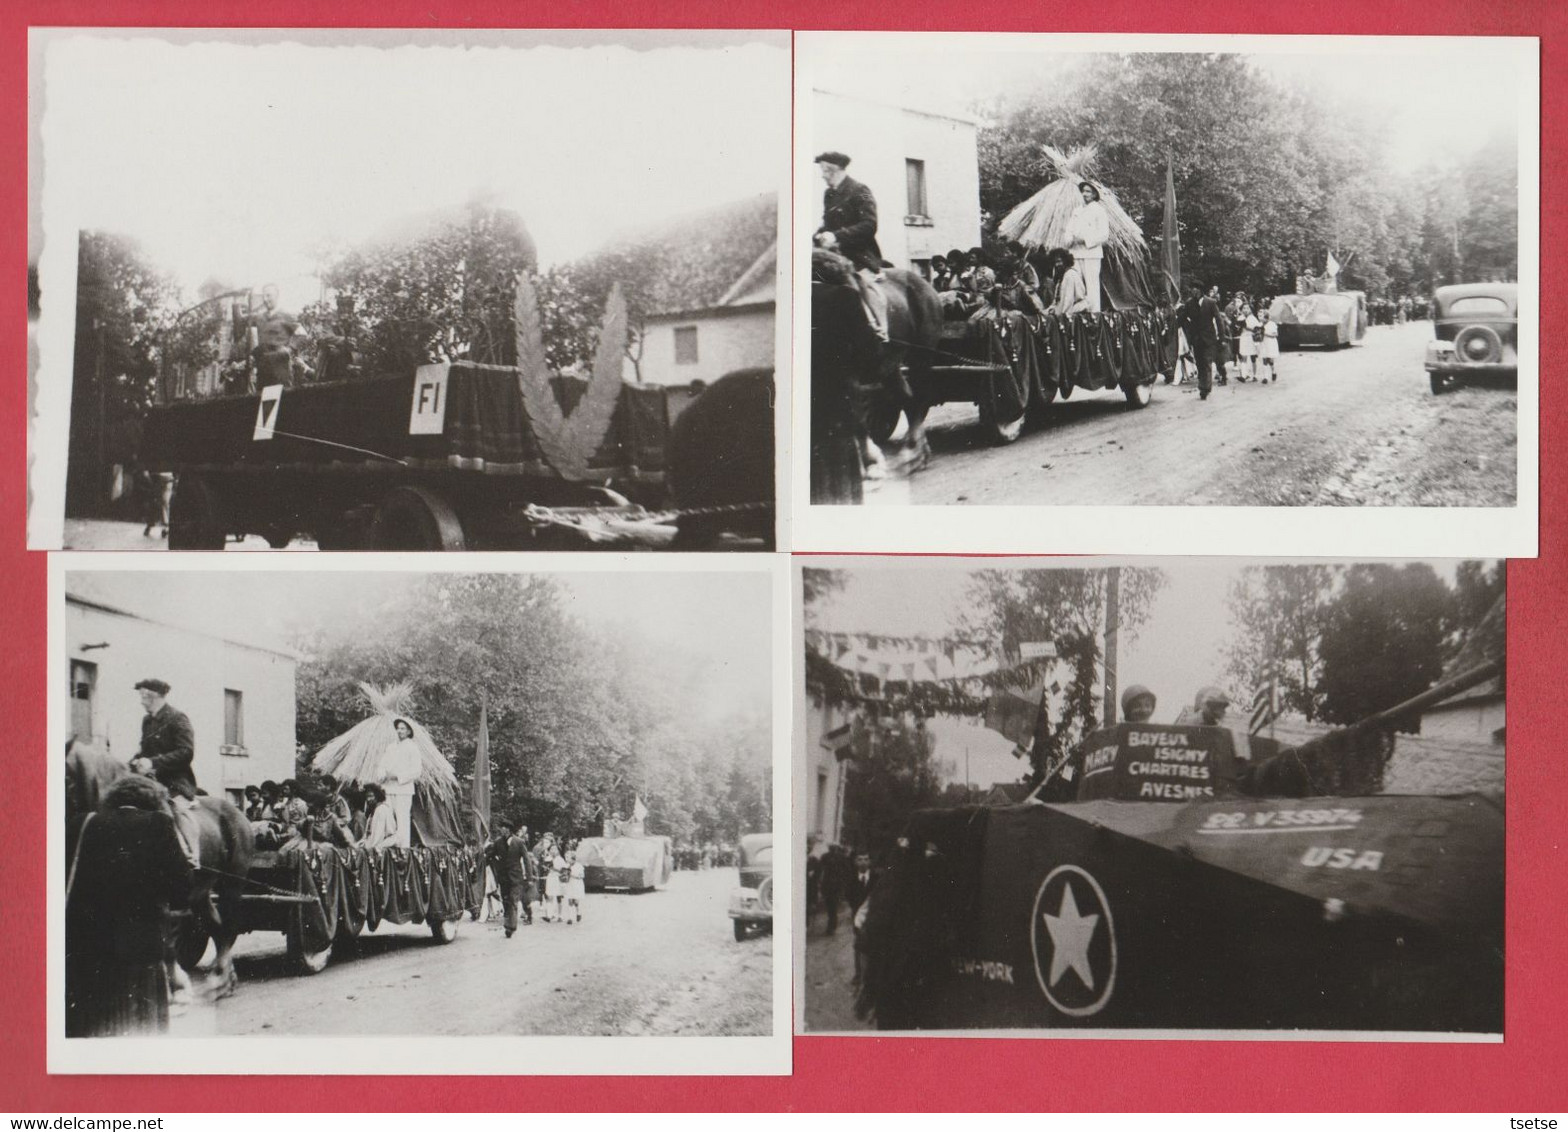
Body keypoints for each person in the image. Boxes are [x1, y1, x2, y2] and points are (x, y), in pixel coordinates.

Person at [65, 775, 194, 1037]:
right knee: (138, 1036)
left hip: (85, 953)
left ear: (114, 799)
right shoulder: (159, 824)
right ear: (153, 801)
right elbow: (182, 891)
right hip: (139, 954)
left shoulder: (82, 823)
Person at [812, 151, 889, 342]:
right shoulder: (829, 194)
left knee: (861, 283)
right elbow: (828, 223)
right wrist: (818, 234)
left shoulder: (860, 190)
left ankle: (878, 327)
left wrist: (837, 235)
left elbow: (870, 225)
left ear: (833, 170)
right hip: (832, 254)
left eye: (824, 171)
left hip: (858, 253)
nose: (822, 175)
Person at [128, 678, 201, 871]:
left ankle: (192, 854)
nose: (141, 701)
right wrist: (134, 761)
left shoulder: (178, 718)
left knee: (177, 809)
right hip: (149, 781)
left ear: (153, 697)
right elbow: (144, 750)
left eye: (143, 696)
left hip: (174, 780)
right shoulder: (147, 721)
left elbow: (186, 752)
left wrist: (154, 762)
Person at [1065, 181, 1110, 313]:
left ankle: (1094, 315)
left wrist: (1085, 240)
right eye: (1083, 191)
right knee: (1075, 283)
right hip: (1075, 253)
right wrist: (1070, 240)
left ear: (1094, 194)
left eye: (1088, 191)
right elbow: (1068, 230)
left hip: (1091, 254)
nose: (1085, 194)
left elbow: (1104, 234)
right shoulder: (1076, 211)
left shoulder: (1099, 211)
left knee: (1092, 286)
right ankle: (1075, 314)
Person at [247, 284, 301, 388]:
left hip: (280, 369)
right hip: (263, 370)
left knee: (282, 400)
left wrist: (289, 349)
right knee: (262, 400)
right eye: (263, 296)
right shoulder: (260, 318)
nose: (265, 299)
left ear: (277, 296)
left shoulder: (285, 315)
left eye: (269, 296)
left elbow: (301, 334)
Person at [379, 717, 422, 849]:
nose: (399, 731)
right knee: (387, 817)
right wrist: (382, 775)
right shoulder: (390, 747)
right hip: (388, 788)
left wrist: (398, 776)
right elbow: (382, 765)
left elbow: (417, 771)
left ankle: (403, 849)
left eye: (403, 729)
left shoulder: (412, 747)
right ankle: (387, 845)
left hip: (403, 789)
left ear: (409, 731)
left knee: (402, 818)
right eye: (398, 728)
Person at [1179, 283, 1223, 400]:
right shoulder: (1189, 303)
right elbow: (1182, 318)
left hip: (1209, 338)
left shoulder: (1211, 302)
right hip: (1196, 339)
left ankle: (1205, 388)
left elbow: (1219, 320)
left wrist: (1221, 337)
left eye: (1196, 289)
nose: (1194, 291)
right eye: (1193, 289)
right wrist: (1188, 327)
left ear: (1201, 290)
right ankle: (1203, 385)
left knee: (1207, 362)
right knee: (1199, 363)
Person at [1046, 248, 1090, 317]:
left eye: (1059, 261)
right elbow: (1057, 302)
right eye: (1055, 262)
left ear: (1065, 261)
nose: (1057, 264)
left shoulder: (1069, 275)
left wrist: (1060, 317)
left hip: (1074, 313)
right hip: (1065, 312)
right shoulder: (1061, 278)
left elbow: (1068, 302)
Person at [361, 783, 398, 850]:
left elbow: (389, 836)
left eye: (371, 796)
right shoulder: (372, 813)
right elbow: (367, 836)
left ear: (377, 796)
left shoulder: (382, 810)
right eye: (367, 797)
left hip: (381, 848)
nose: (368, 799)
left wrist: (377, 847)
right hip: (370, 847)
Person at [1238, 305, 1260, 382]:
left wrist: (1248, 328)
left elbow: (1258, 329)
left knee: (1253, 357)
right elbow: (1237, 329)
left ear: (1250, 309)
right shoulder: (1240, 318)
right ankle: (1244, 375)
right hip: (1243, 338)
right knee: (1243, 356)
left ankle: (1254, 375)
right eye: (1244, 308)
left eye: (1247, 308)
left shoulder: (1253, 318)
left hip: (1251, 338)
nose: (1245, 310)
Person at [1258, 310, 1280, 382]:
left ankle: (1273, 372)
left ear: (1266, 317)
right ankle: (1265, 377)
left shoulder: (1272, 324)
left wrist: (1265, 334)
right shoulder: (1260, 324)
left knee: (1270, 360)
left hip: (1270, 343)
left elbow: (1275, 334)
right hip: (1263, 343)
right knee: (1264, 359)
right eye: (1259, 316)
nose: (1260, 318)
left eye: (1262, 316)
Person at [565, 850, 585, 924]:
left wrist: (572, 875)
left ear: (573, 858)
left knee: (576, 901)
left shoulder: (579, 866)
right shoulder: (567, 866)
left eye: (568, 857)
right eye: (566, 857)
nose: (566, 859)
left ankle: (578, 913)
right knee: (570, 900)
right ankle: (570, 918)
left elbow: (582, 876)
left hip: (577, 884)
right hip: (570, 884)